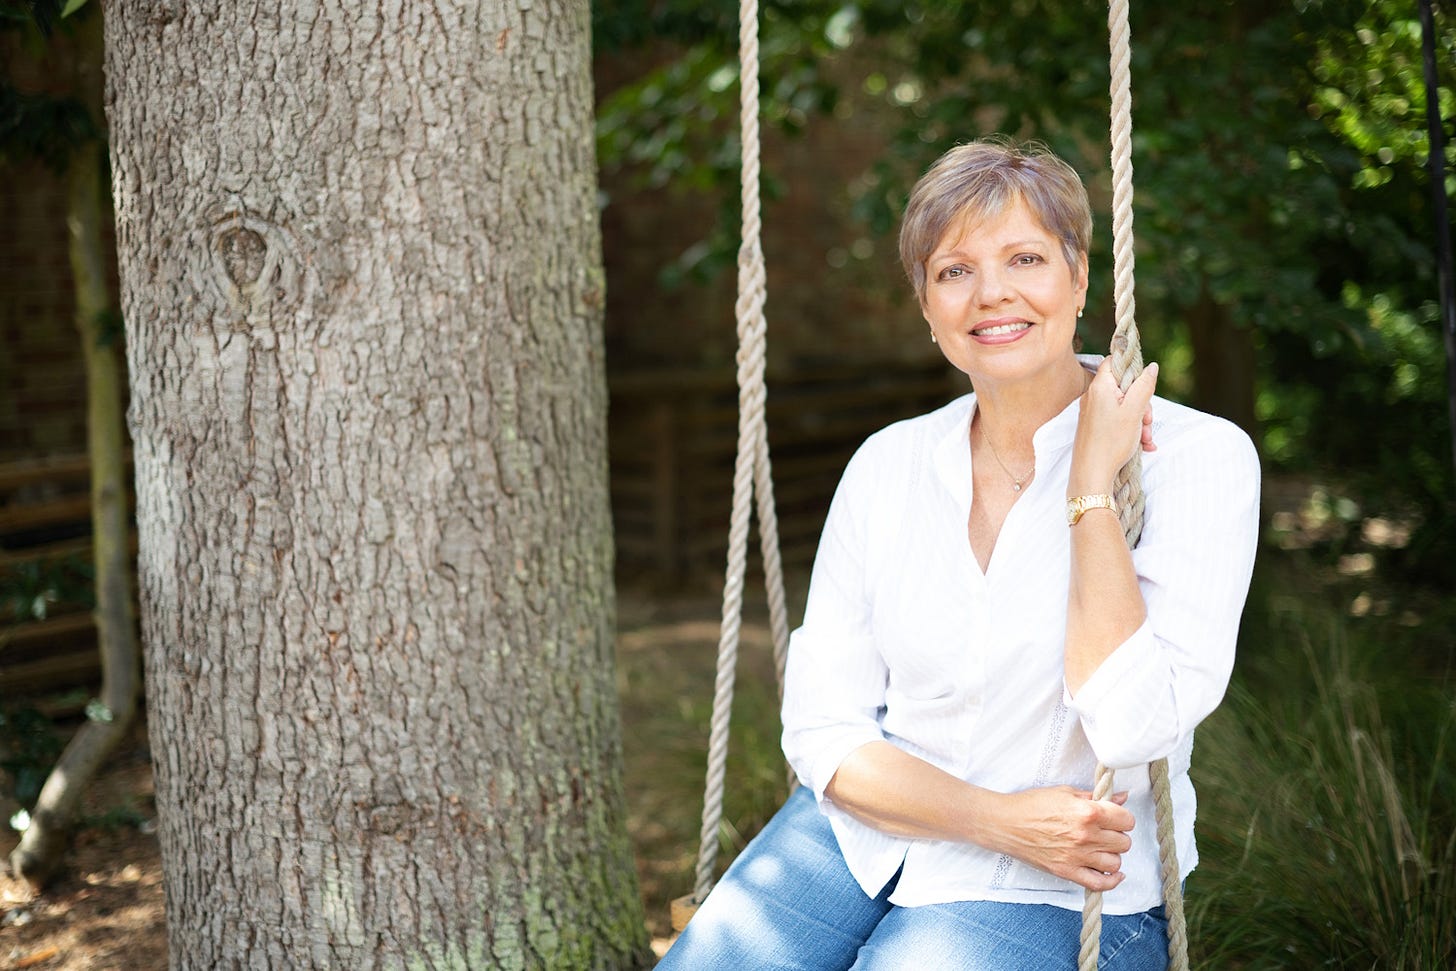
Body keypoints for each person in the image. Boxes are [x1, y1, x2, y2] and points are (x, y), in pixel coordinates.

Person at [656, 139, 1260, 970]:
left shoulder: (1195, 458)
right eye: (955, 271)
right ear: (927, 305)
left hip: (1069, 884)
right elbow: (822, 730)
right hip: (867, 833)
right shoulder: (889, 464)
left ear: (1079, 278)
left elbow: (1130, 725)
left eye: (1025, 258)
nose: (993, 293)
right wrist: (995, 818)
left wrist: (1088, 484)